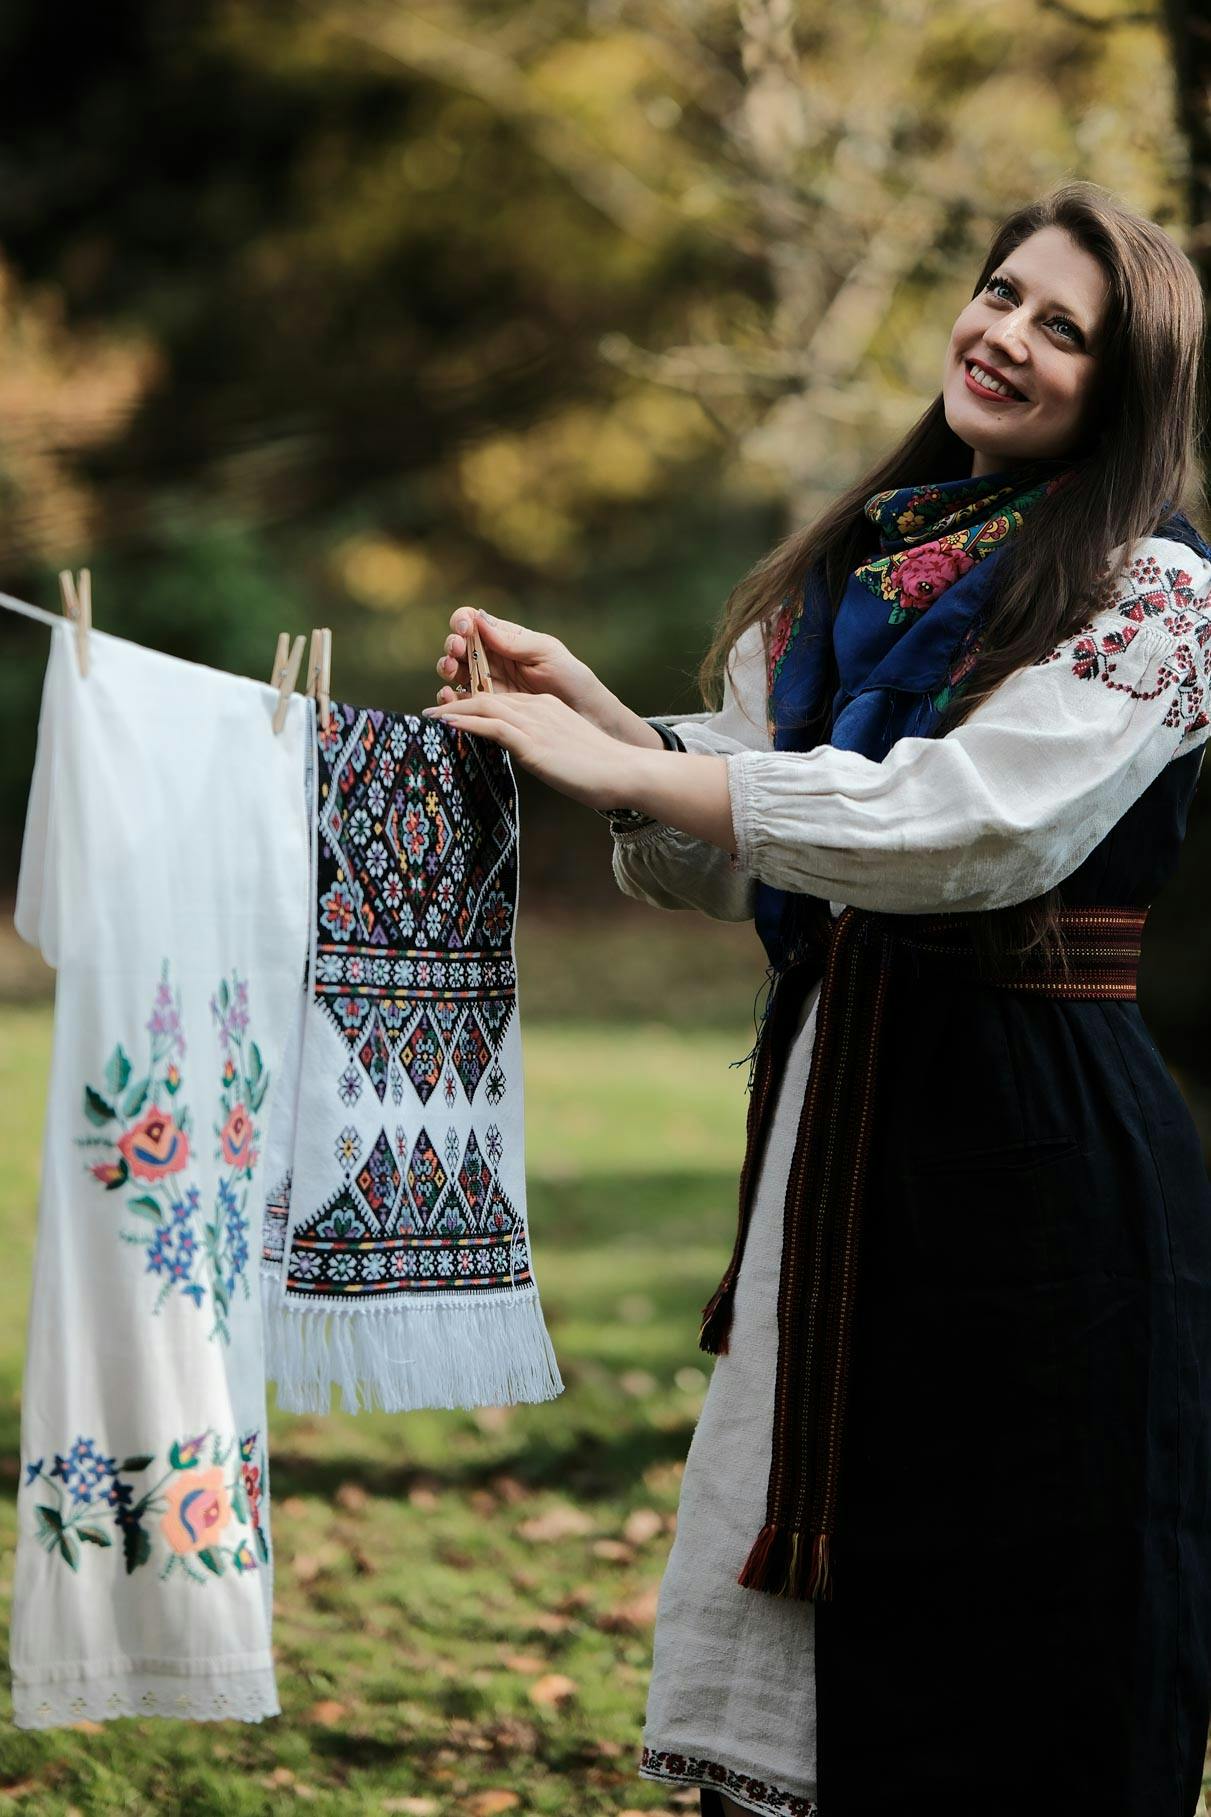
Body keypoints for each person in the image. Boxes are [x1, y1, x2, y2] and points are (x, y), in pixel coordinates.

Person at [421, 181, 1211, 1817]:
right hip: (845, 1112)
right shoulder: (864, 564)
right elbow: (761, 823)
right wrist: (608, 730)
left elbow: (963, 824)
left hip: (1036, 1133)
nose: (1006, 334)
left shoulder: (1156, 588)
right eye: (1001, 291)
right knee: (816, 1516)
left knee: (1016, 1577)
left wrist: (636, 768)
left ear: (1127, 386)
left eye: (1065, 327)